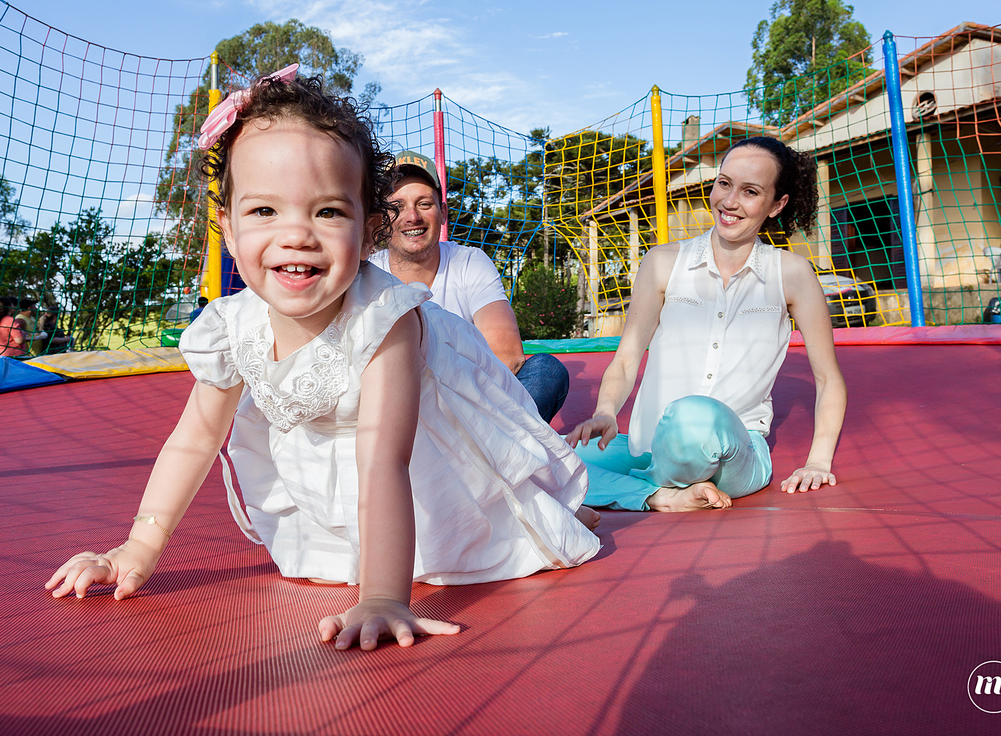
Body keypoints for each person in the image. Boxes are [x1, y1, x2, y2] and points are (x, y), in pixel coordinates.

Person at [46, 69, 600, 651]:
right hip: (338, 486)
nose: (297, 235)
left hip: (432, 462)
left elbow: (386, 459)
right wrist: (138, 547)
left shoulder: (385, 320)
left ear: (367, 235)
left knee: (510, 537)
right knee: (334, 560)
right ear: (227, 230)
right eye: (264, 211)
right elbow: (194, 439)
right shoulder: (233, 326)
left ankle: (558, 514)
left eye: (328, 212)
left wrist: (384, 597)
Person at [566, 136, 847, 512]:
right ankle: (660, 496)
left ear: (777, 204)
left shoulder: (792, 273)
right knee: (545, 460)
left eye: (750, 191)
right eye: (724, 183)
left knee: (694, 415)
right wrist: (605, 411)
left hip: (737, 455)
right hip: (651, 446)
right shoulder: (662, 262)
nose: (729, 202)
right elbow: (627, 357)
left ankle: (637, 487)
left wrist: (818, 461)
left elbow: (829, 378)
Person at [368, 151, 571, 424]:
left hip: (472, 412)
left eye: (424, 204)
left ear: (443, 213)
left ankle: (479, 456)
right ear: (382, 219)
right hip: (401, 415)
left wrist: (452, 411)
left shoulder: (469, 261)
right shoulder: (369, 273)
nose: (412, 216)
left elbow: (507, 356)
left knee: (547, 372)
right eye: (398, 206)